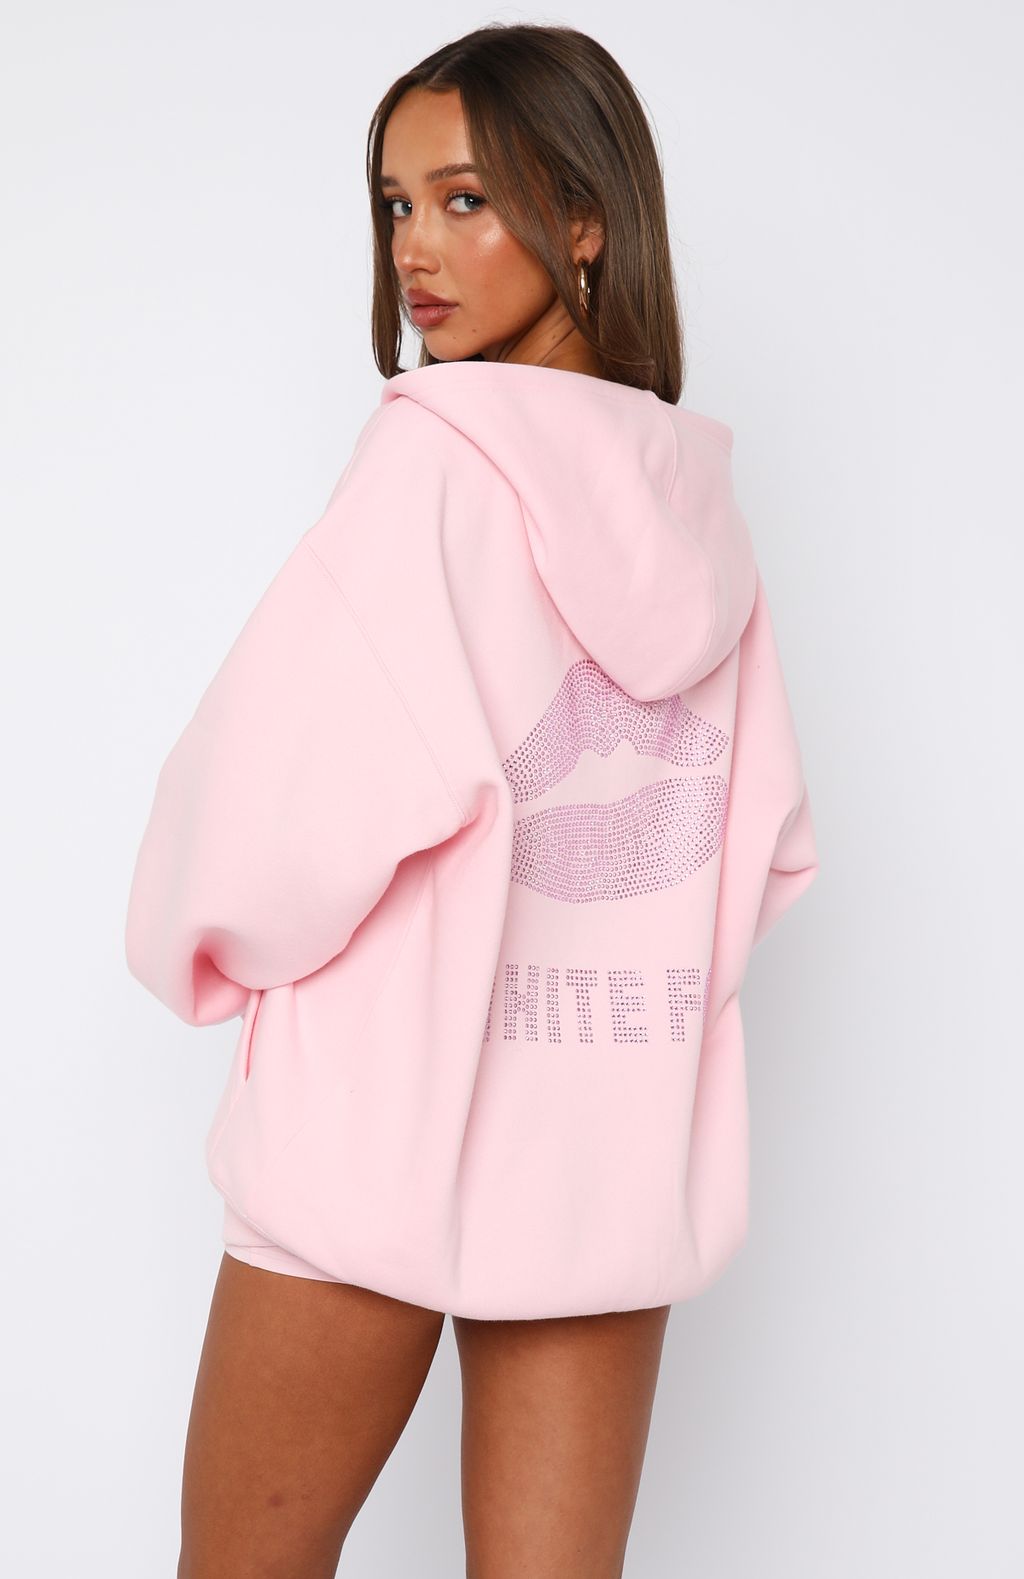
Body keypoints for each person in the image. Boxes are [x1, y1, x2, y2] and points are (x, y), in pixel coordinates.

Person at [124, 22, 819, 1579]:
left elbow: (267, 813)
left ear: (584, 218)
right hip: (607, 1149)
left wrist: (193, 949)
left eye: (463, 200)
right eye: (395, 205)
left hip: (374, 1126)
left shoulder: (434, 465)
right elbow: (768, 849)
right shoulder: (696, 500)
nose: (416, 251)